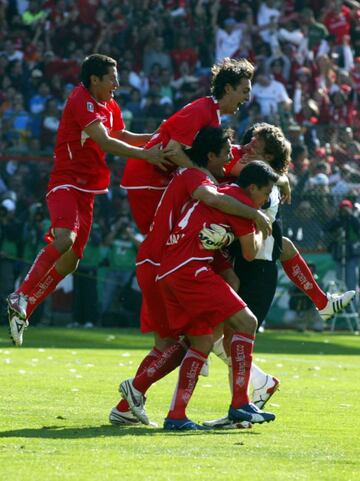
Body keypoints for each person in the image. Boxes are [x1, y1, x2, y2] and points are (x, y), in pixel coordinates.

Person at [110, 126, 269, 426]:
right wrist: (256, 216)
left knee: (197, 340)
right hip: (163, 261)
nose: (228, 161)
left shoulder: (208, 180)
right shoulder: (197, 177)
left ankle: (140, 406)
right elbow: (214, 200)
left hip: (169, 261)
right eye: (224, 154)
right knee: (174, 344)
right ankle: (136, 389)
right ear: (209, 155)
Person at [7, 53, 168, 347]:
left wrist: (158, 136)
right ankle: (21, 294)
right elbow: (106, 141)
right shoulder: (81, 99)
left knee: (71, 263)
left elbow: (120, 133)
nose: (117, 84)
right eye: (112, 78)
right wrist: (148, 154)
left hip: (89, 189)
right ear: (95, 79)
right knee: (65, 239)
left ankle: (25, 306)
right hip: (66, 182)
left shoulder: (109, 104)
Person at [204, 123, 356, 428]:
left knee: (229, 337)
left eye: (255, 147)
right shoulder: (254, 181)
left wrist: (228, 237)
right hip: (250, 266)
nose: (246, 149)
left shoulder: (265, 194)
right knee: (223, 338)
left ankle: (242, 405)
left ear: (270, 157)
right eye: (247, 144)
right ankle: (248, 397)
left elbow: (261, 244)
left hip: (256, 269)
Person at [120, 57, 271, 239]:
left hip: (161, 179)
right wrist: (205, 174)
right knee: (160, 242)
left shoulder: (213, 115)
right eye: (245, 91)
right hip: (147, 179)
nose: (248, 98)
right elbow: (172, 150)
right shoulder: (202, 110)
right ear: (228, 88)